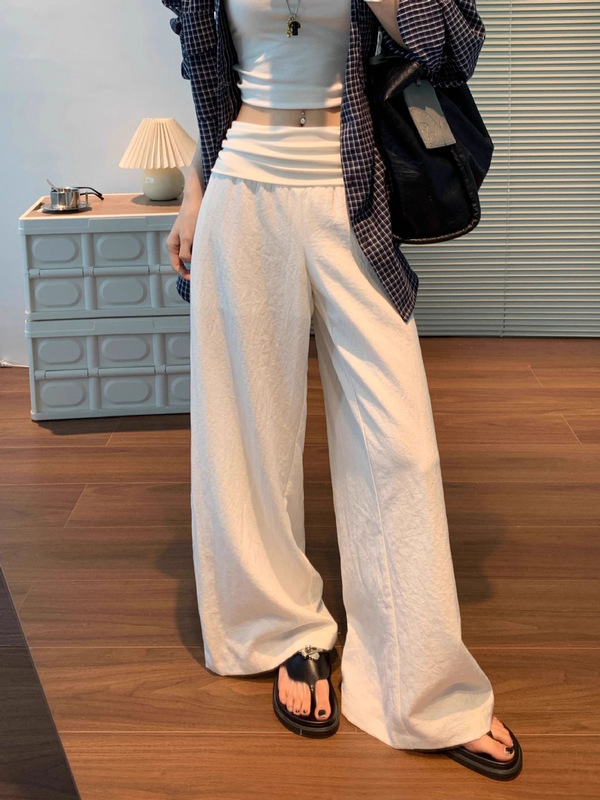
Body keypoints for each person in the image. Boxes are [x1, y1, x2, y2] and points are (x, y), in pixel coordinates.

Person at [163, 0, 522, 781]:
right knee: (247, 431)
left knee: (399, 446)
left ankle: (421, 684)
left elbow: (451, 46)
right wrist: (195, 188)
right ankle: (283, 630)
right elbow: (206, 72)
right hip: (242, 184)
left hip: (352, 195)